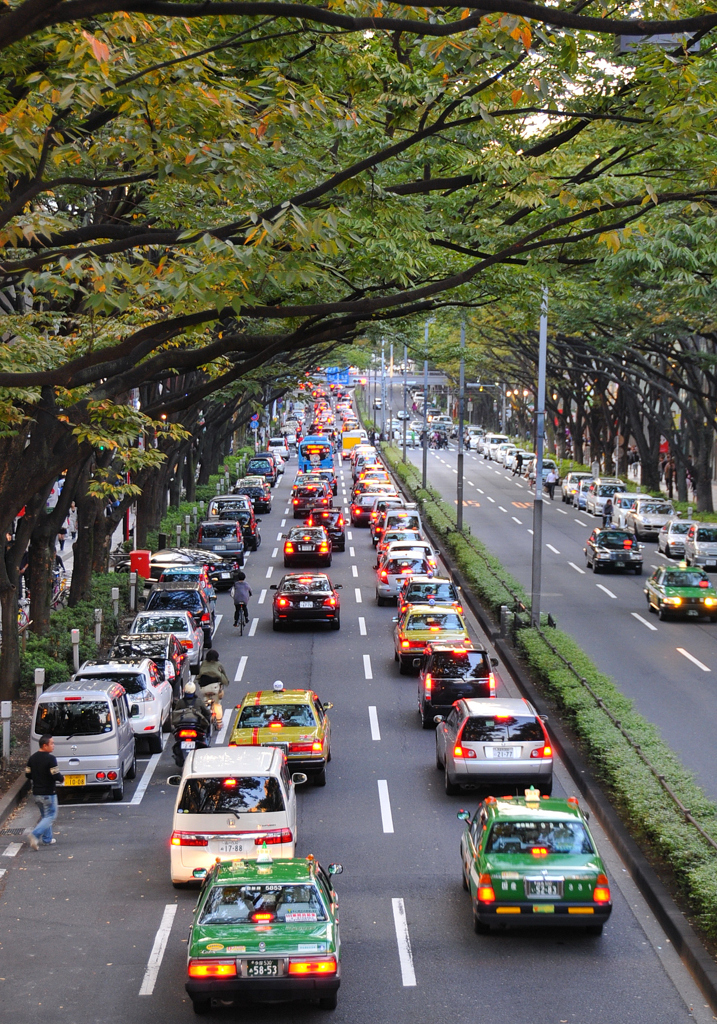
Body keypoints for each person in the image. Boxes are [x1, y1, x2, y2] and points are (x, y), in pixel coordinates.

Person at [25, 735, 63, 849]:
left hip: (37, 792)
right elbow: (55, 774)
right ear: (44, 745)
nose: (53, 746)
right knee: (50, 816)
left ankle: (47, 839)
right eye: (51, 743)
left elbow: (28, 774)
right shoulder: (51, 759)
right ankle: (35, 835)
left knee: (45, 816)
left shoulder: (32, 758)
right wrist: (62, 779)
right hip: (48, 792)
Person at [197, 649, 230, 727]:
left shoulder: (203, 663)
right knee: (217, 704)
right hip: (214, 688)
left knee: (205, 701)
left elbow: (199, 675)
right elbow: (223, 675)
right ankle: (219, 723)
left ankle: (204, 718)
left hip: (203, 688)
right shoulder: (218, 664)